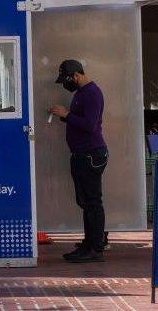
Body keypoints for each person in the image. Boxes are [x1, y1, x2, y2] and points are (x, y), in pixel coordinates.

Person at [48, 59, 108, 263]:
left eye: (68, 80)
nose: (67, 84)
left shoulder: (92, 93)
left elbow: (90, 125)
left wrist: (67, 114)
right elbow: (79, 120)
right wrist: (65, 116)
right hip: (81, 154)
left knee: (92, 201)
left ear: (76, 75)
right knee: (85, 201)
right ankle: (90, 242)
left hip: (90, 154)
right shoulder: (81, 94)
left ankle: (95, 247)